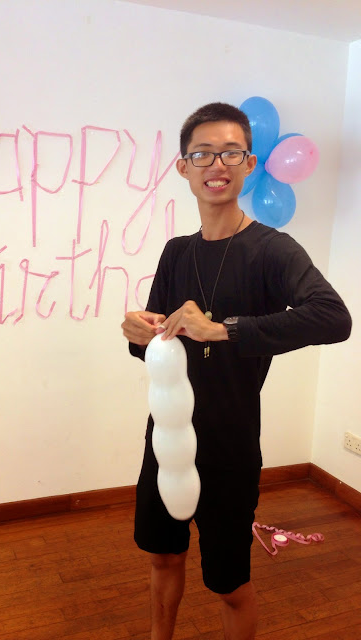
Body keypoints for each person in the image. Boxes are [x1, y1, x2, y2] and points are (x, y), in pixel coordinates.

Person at [121, 102, 352, 640]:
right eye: (202, 154)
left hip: (230, 446)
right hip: (167, 436)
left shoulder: (272, 250)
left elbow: (334, 317)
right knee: (162, 556)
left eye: (230, 153)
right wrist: (137, 332)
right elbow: (159, 343)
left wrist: (223, 330)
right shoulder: (176, 252)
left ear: (249, 163)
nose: (216, 165)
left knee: (229, 583)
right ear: (183, 167)